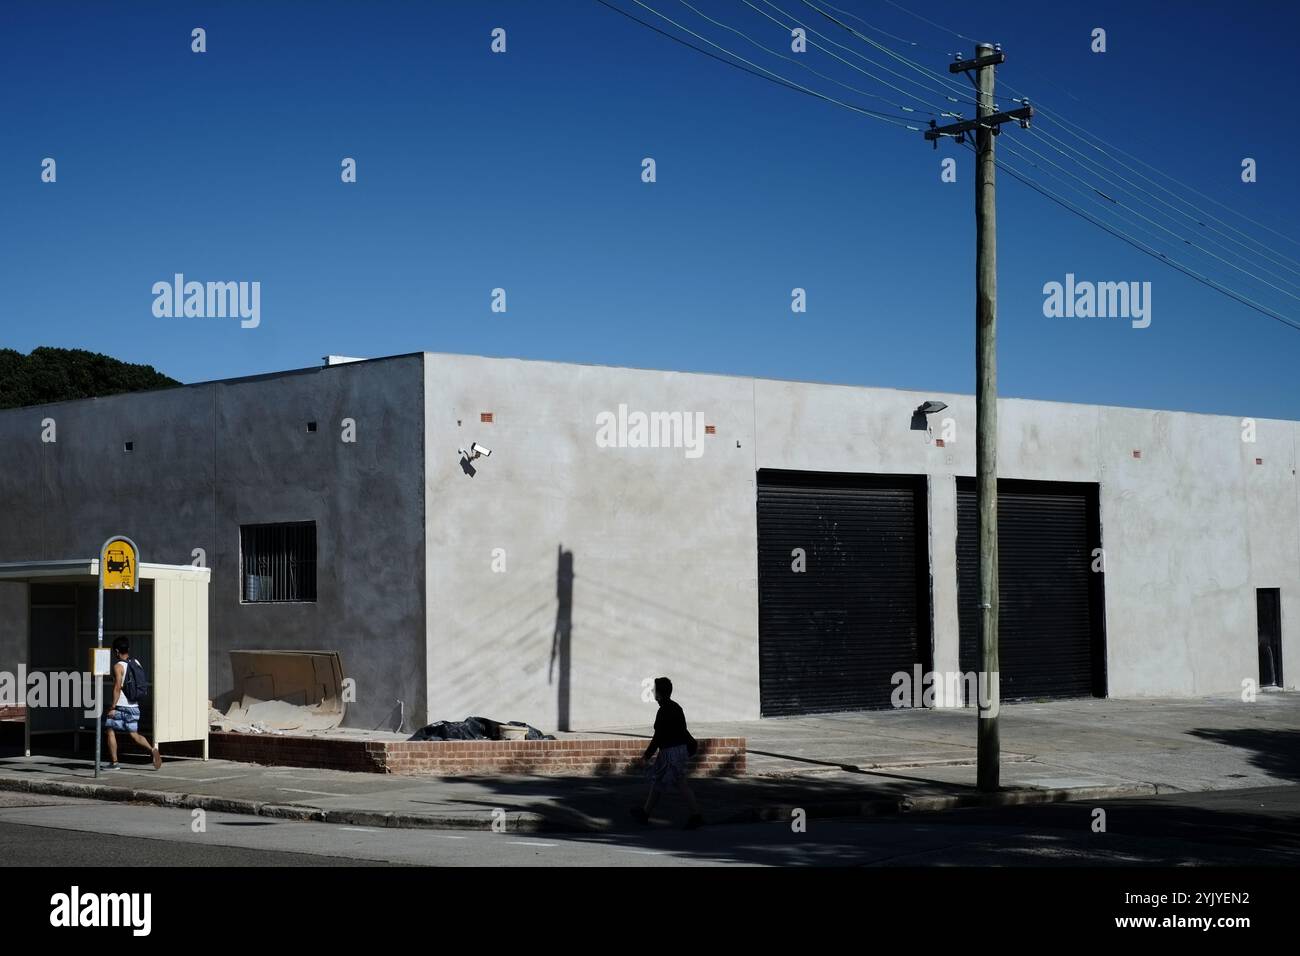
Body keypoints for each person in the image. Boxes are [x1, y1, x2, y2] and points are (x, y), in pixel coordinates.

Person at [630, 677, 703, 829]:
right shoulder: (676, 707)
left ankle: (696, 815)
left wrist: (645, 757)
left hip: (671, 753)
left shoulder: (663, 711)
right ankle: (645, 813)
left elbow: (658, 738)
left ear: (659, 693)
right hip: (677, 750)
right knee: (658, 782)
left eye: (654, 689)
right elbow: (683, 731)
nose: (652, 691)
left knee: (680, 782)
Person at [103, 637, 161, 771]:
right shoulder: (136, 662)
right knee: (134, 734)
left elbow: (117, 688)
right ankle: (152, 750)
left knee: (110, 730)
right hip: (134, 706)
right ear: (128, 650)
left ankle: (115, 763)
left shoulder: (118, 666)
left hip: (121, 706)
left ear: (116, 651)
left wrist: (112, 707)